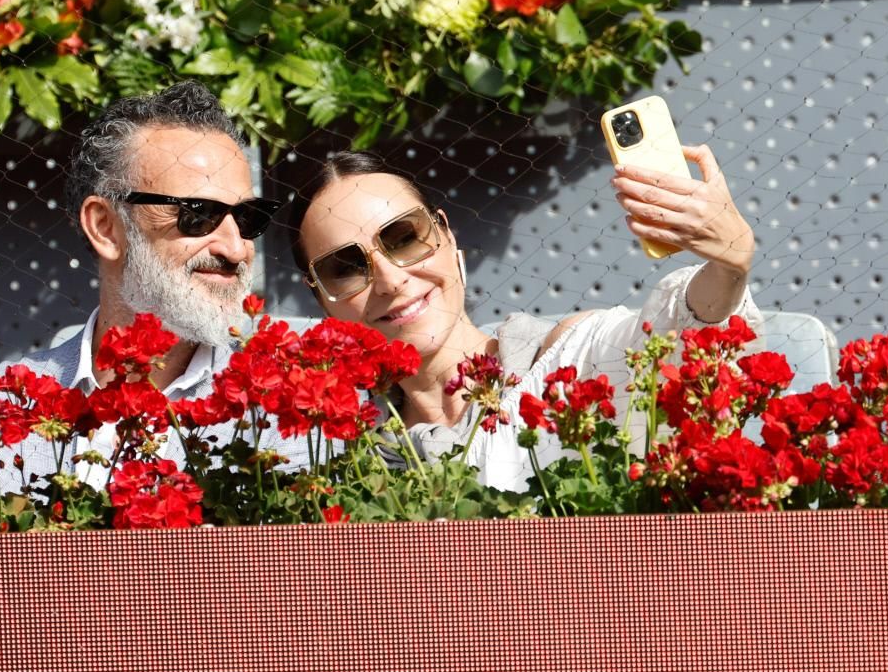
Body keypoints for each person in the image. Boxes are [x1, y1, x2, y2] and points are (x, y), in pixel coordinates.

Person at [286, 144, 761, 491]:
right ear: (321, 298)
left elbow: (677, 331)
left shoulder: (567, 361)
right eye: (345, 267)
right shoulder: (338, 459)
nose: (391, 280)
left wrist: (729, 264)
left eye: (403, 237)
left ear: (447, 237)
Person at [0, 81, 284, 493]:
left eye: (248, 219)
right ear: (105, 227)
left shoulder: (285, 413)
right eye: (199, 213)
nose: (235, 248)